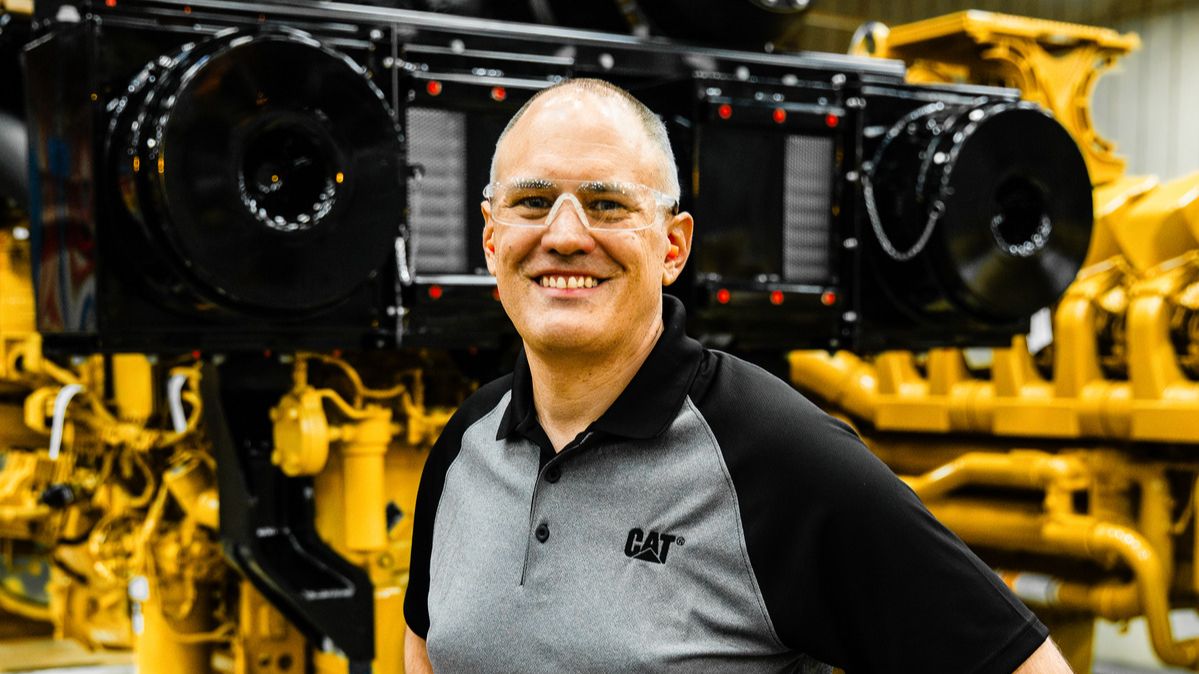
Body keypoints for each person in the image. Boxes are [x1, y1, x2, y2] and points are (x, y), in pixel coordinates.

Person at [403, 78, 1072, 673]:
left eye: (607, 205)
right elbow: (427, 646)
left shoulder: (779, 457)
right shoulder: (466, 443)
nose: (565, 235)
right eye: (532, 201)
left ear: (672, 247)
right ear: (491, 240)